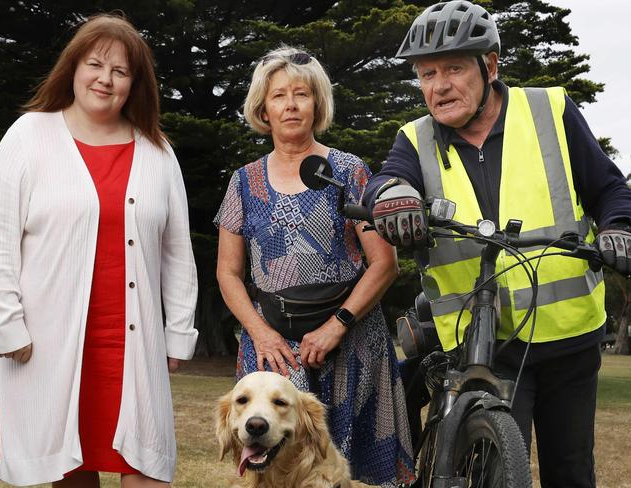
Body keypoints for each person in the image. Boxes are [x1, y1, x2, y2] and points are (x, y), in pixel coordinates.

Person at [362, 1, 631, 486]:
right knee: (487, 471)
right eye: (426, 74)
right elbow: (387, 180)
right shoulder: (414, 138)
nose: (439, 85)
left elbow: (610, 188)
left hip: (570, 339)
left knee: (571, 471)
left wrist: (619, 228)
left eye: (453, 69)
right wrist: (394, 196)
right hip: (481, 337)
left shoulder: (551, 110)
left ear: (490, 65)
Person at [0, 13, 198, 487]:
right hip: (49, 342)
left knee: (147, 466)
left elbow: (178, 251)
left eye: (121, 72)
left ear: (134, 84)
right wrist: (7, 323)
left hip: (131, 345)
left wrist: (179, 330)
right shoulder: (28, 136)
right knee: (71, 469)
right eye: (95, 65)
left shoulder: (157, 151)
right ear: (73, 68)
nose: (106, 79)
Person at [214, 45, 415, 487]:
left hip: (351, 341)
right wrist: (260, 333)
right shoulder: (243, 182)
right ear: (262, 107)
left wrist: (336, 326)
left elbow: (384, 263)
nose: (290, 105)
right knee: (270, 469)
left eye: (301, 94)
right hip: (273, 350)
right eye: (279, 95)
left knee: (359, 473)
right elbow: (228, 273)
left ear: (317, 103)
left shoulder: (349, 171)